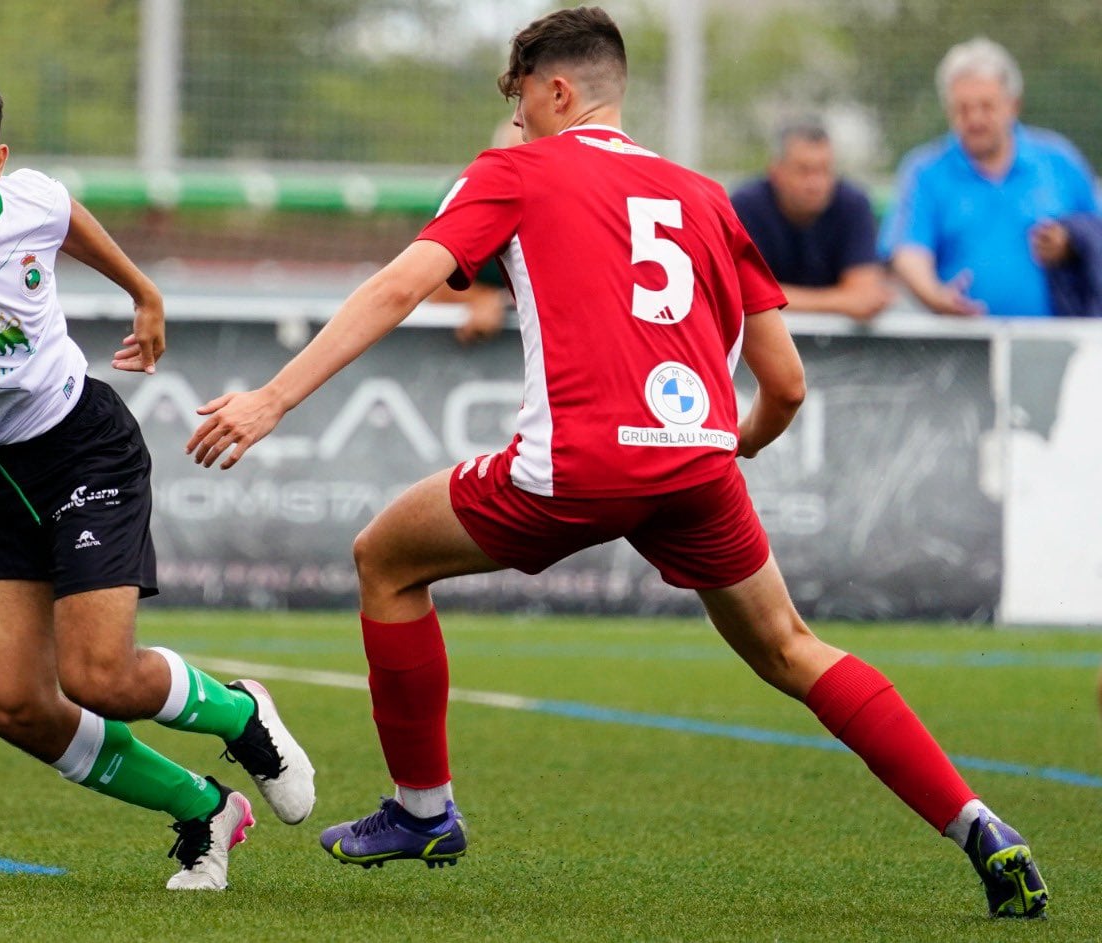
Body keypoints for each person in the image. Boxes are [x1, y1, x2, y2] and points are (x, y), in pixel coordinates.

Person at [185, 7, 1047, 919]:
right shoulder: (707, 196)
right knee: (794, 648)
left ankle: (422, 809)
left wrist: (272, 398)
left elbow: (403, 283)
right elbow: (787, 385)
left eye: (522, 104)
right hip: (697, 468)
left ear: (559, 91)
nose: (517, 124)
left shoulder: (514, 171)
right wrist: (731, 443)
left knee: (384, 559)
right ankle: (980, 825)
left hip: (578, 469)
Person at [0, 70, 314, 891]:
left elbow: (68, 222)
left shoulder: (33, 200)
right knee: (15, 704)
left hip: (80, 443)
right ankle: (203, 807)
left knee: (98, 676)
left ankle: (241, 712)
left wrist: (144, 292)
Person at [881, 37, 1099, 317]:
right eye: (963, 109)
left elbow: (1095, 233)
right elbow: (908, 250)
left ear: (1013, 105)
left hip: (1057, 345)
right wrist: (935, 295)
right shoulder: (924, 171)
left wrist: (1069, 242)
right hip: (962, 347)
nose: (975, 119)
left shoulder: (1060, 161)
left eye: (986, 106)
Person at [731, 118, 891, 320]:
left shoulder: (854, 203)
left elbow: (864, 293)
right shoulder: (746, 205)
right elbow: (743, 294)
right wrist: (843, 301)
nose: (815, 183)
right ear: (775, 172)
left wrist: (774, 298)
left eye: (824, 170)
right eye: (803, 170)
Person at [428, 119, 528, 344]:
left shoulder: (567, 207)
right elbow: (429, 284)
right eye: (515, 161)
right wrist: (481, 298)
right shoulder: (470, 201)